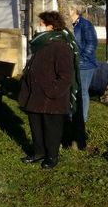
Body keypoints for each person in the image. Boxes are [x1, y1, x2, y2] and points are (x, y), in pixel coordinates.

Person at [18, 11, 79, 169]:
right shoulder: (41, 43)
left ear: (50, 26)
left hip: (52, 98)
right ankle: (38, 152)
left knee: (52, 129)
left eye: (41, 23)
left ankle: (52, 156)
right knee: (36, 125)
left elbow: (66, 75)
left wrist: (53, 92)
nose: (38, 26)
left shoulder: (60, 45)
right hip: (35, 94)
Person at [68, 0, 97, 122]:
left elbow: (91, 44)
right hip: (70, 64)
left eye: (68, 9)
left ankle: (82, 119)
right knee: (71, 90)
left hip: (85, 65)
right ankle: (70, 115)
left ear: (74, 10)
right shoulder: (68, 25)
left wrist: (79, 59)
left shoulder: (85, 25)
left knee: (83, 91)